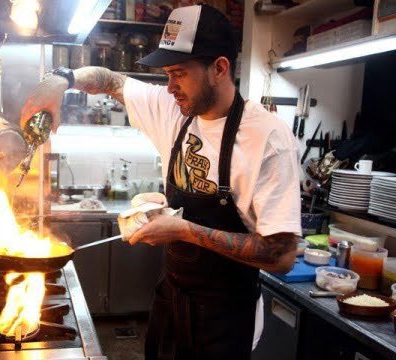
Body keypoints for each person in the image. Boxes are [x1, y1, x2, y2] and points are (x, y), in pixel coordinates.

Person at [21, 4, 301, 359]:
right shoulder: (176, 110)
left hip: (225, 320)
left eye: (179, 73)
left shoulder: (268, 138)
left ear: (219, 68)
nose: (169, 88)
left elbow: (281, 254)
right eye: (167, 74)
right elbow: (110, 79)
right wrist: (61, 79)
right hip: (172, 303)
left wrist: (182, 230)